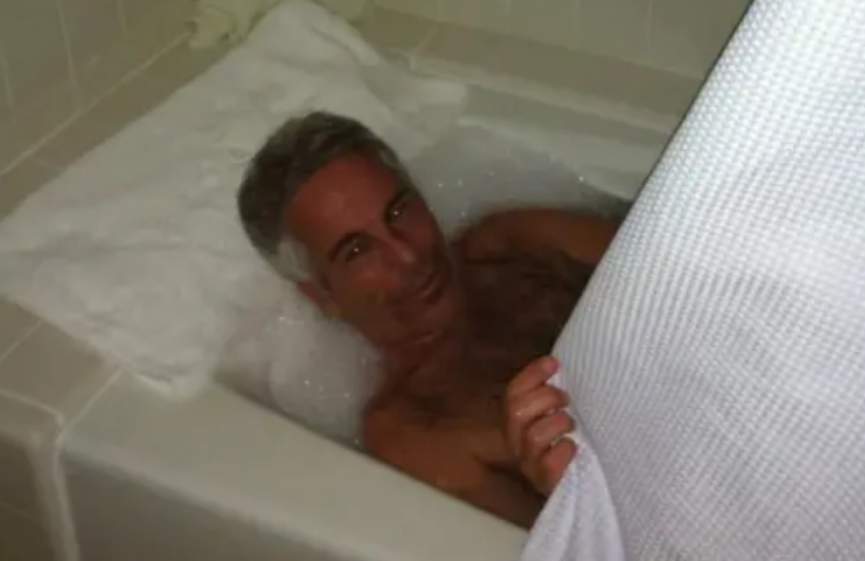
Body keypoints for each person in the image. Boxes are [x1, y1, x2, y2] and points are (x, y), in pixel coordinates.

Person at [236, 112, 617, 528]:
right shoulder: (413, 428)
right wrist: (564, 492)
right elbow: (552, 546)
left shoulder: (513, 242)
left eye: (399, 211)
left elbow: (666, 269)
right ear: (322, 296)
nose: (408, 256)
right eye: (357, 251)